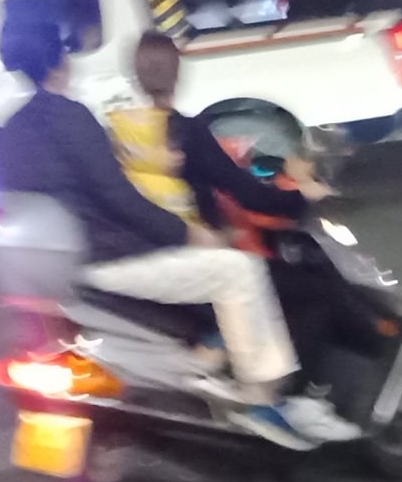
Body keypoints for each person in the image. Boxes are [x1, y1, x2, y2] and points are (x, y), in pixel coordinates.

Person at [0, 16, 358, 447]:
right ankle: (261, 397)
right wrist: (187, 234)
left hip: (60, 270)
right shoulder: (72, 117)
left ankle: (211, 362)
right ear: (59, 62)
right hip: (107, 258)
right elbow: (118, 199)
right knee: (239, 271)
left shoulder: (13, 131)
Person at [111, 32, 362, 360]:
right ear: (177, 72)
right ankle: (292, 386)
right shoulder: (185, 131)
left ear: (136, 75)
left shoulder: (119, 131)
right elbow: (248, 195)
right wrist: (305, 195)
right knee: (311, 293)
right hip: (195, 257)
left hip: (145, 254)